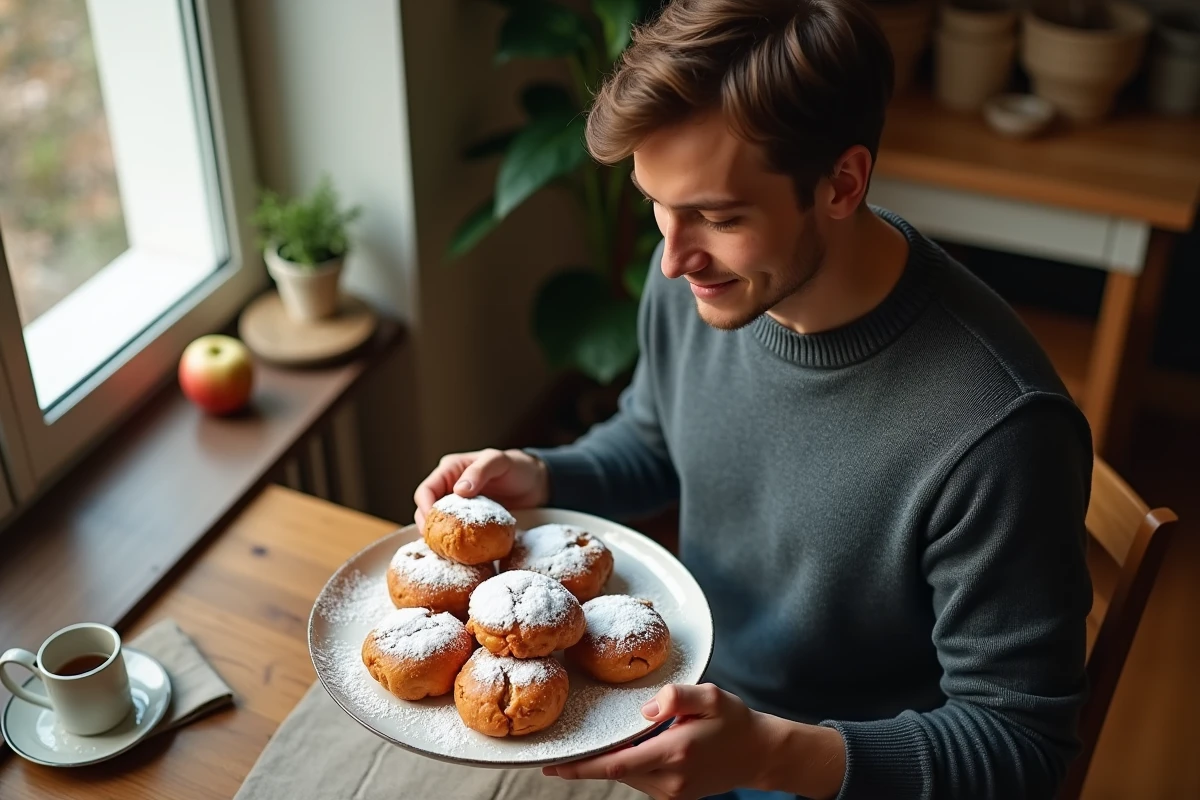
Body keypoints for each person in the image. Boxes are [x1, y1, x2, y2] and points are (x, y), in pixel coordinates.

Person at [414, 1, 1094, 798]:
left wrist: (771, 757)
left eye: (717, 216)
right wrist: (542, 473)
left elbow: (1020, 747)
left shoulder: (998, 431)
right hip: (674, 699)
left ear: (842, 183)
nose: (670, 261)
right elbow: (655, 440)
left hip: (840, 768)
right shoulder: (707, 285)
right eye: (656, 206)